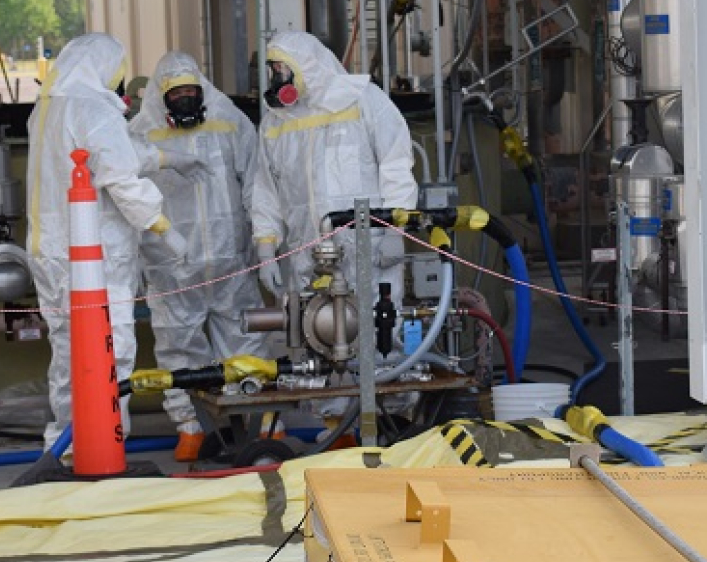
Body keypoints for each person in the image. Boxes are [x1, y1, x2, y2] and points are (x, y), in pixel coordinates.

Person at [26, 33, 201, 444]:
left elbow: (106, 153)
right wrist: (161, 225)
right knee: (109, 351)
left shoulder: (50, 107)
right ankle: (104, 445)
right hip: (92, 258)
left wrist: (166, 157)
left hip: (52, 253)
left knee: (70, 356)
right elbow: (118, 175)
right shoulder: (93, 107)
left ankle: (67, 444)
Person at [129, 51, 276, 461]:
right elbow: (127, 196)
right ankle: (190, 428)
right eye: (176, 94)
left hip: (231, 262)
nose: (186, 100)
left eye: (193, 91)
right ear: (161, 97)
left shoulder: (230, 123)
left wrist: (263, 241)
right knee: (180, 349)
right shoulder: (140, 134)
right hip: (172, 267)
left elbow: (256, 182)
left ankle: (256, 422)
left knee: (246, 343)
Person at [251, 30, 419, 305]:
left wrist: (395, 229)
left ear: (306, 66)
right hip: (306, 257)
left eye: (283, 69)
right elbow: (266, 191)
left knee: (380, 335)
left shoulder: (363, 100)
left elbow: (396, 165)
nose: (277, 77)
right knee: (312, 334)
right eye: (273, 70)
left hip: (370, 251)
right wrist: (266, 249)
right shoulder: (275, 124)